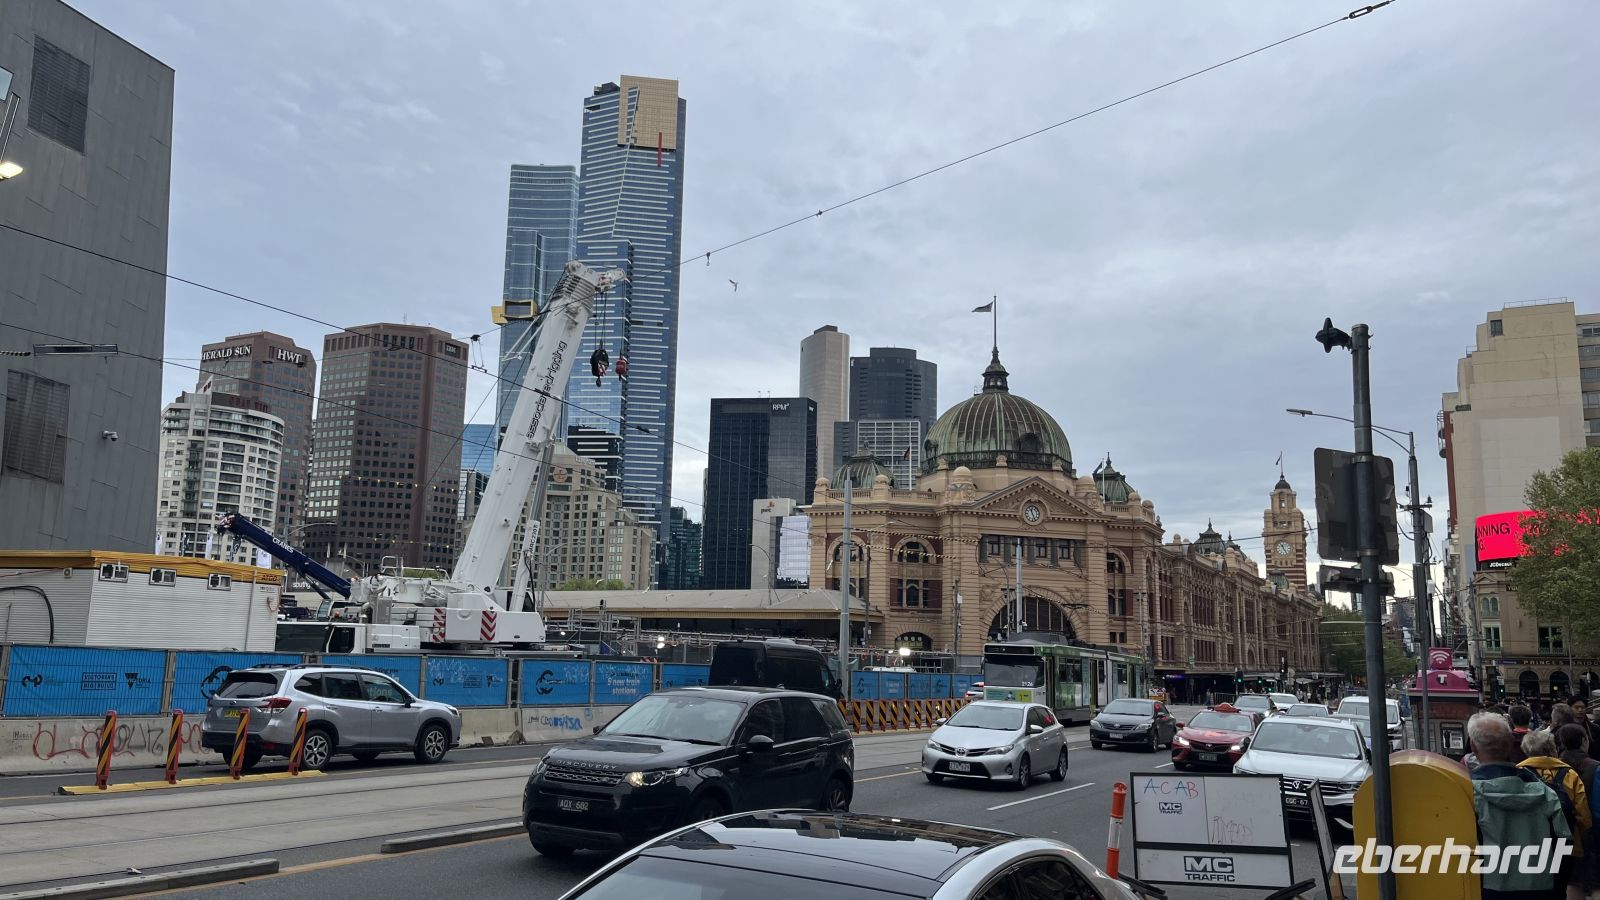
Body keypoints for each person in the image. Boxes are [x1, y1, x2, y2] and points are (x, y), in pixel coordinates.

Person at [1471, 712, 1572, 899]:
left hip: (1486, 889)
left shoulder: (1464, 796)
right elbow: (1564, 848)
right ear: (1511, 744)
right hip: (1541, 889)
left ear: (1473, 746)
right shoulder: (1550, 794)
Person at [1523, 729, 1591, 900]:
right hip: (1564, 844)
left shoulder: (1519, 773)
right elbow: (1583, 817)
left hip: (1527, 843)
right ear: (1553, 749)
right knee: (1559, 888)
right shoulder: (1570, 774)